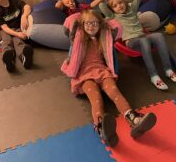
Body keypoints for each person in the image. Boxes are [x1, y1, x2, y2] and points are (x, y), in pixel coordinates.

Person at [61, 9, 157, 147]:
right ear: (82, 24)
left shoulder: (104, 37)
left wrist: (103, 22)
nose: (91, 26)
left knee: (115, 92)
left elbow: (117, 26)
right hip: (84, 75)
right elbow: (69, 21)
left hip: (102, 71)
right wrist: (83, 17)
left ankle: (134, 119)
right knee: (96, 98)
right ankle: (101, 127)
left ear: (100, 24)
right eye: (87, 23)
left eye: (94, 23)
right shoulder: (78, 37)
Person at [99, 0, 176, 91]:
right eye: (115, 6)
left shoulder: (132, 10)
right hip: (131, 42)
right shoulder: (114, 16)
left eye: (120, 3)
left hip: (143, 37)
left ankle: (168, 70)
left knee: (159, 35)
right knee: (144, 41)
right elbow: (101, 6)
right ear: (112, 9)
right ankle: (154, 76)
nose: (119, 6)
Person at [0, 0, 34, 73]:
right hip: (5, 30)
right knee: (6, 40)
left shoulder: (14, 0)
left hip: (17, 28)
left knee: (18, 41)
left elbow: (27, 6)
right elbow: (4, 27)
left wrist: (24, 16)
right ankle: (8, 58)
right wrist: (16, 34)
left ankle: (24, 55)